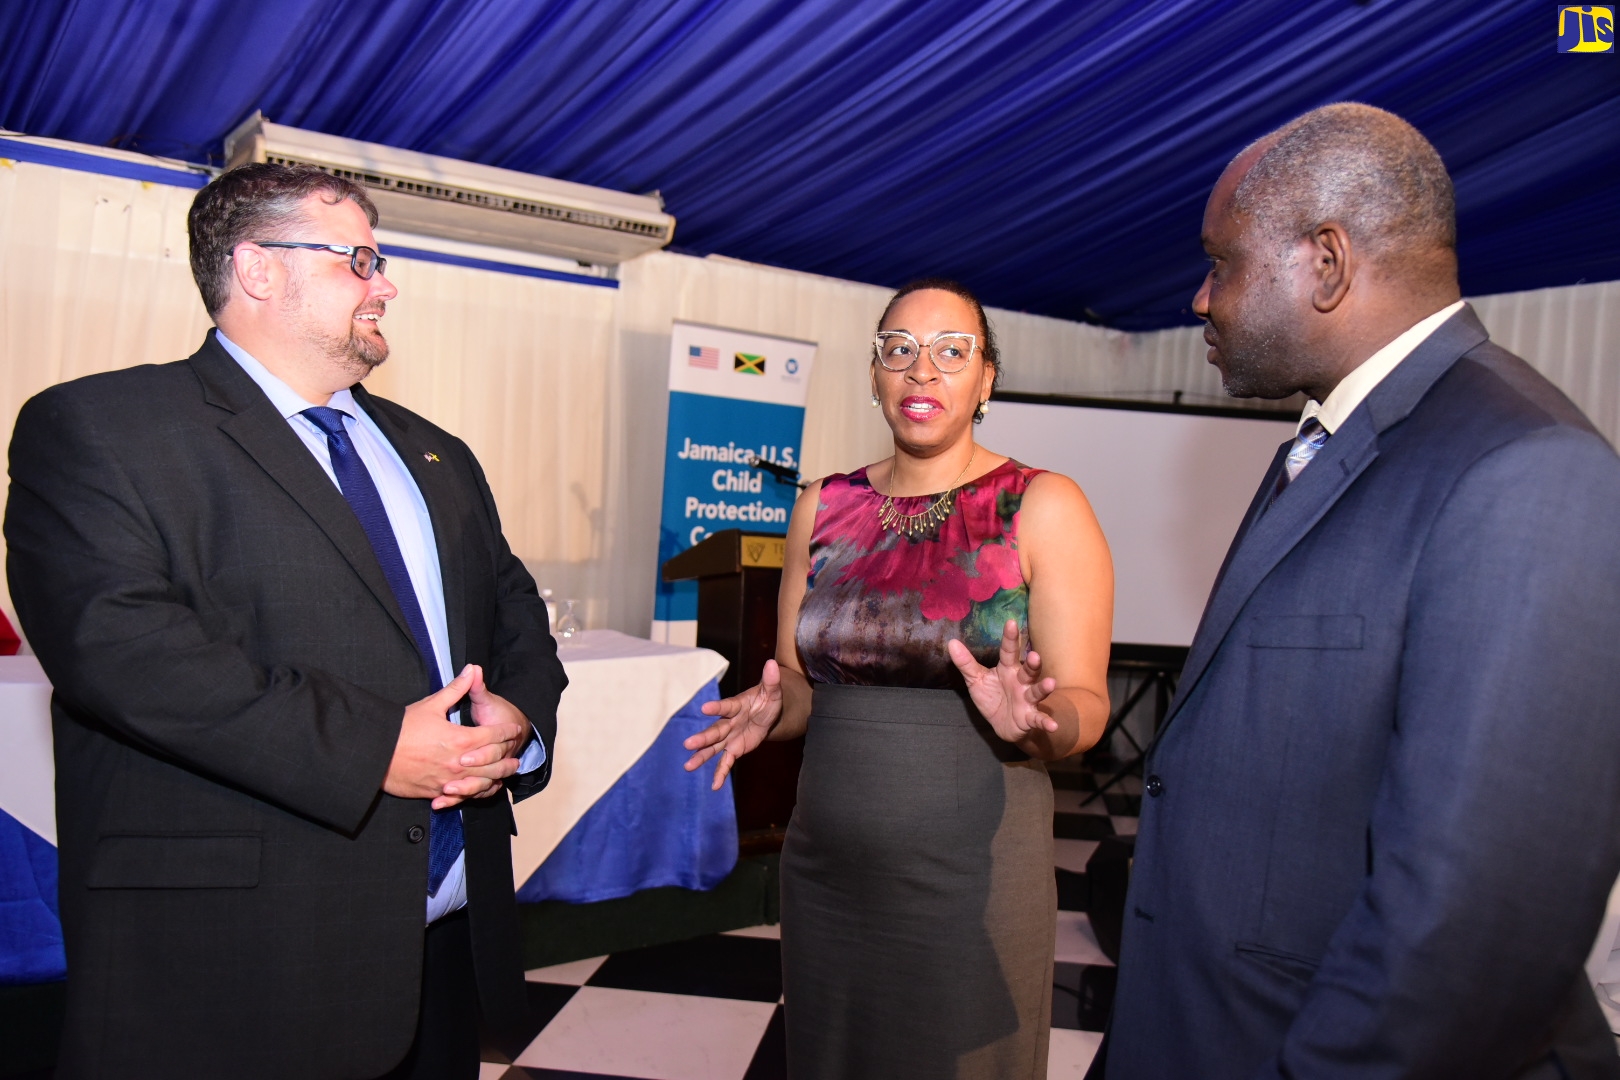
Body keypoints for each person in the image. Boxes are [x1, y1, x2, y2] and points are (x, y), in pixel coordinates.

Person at [4, 163, 566, 1080]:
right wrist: (374, 747)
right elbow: (120, 651)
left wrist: (520, 719)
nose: (387, 284)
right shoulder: (101, 427)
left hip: (446, 942)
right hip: (241, 957)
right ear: (258, 269)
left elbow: (513, 609)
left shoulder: (437, 452)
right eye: (361, 259)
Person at [1095, 104, 1620, 1078]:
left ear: (1326, 263)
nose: (1201, 300)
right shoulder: (1329, 436)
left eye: (1221, 263)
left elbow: (1475, 929)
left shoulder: (1529, 468)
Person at [683, 278, 1114, 1078]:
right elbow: (804, 689)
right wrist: (770, 712)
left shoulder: (1042, 504)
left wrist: (1043, 722)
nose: (923, 371)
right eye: (899, 350)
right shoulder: (822, 506)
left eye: (953, 352)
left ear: (987, 380)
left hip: (970, 879)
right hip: (828, 873)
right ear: (874, 373)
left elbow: (1086, 700)